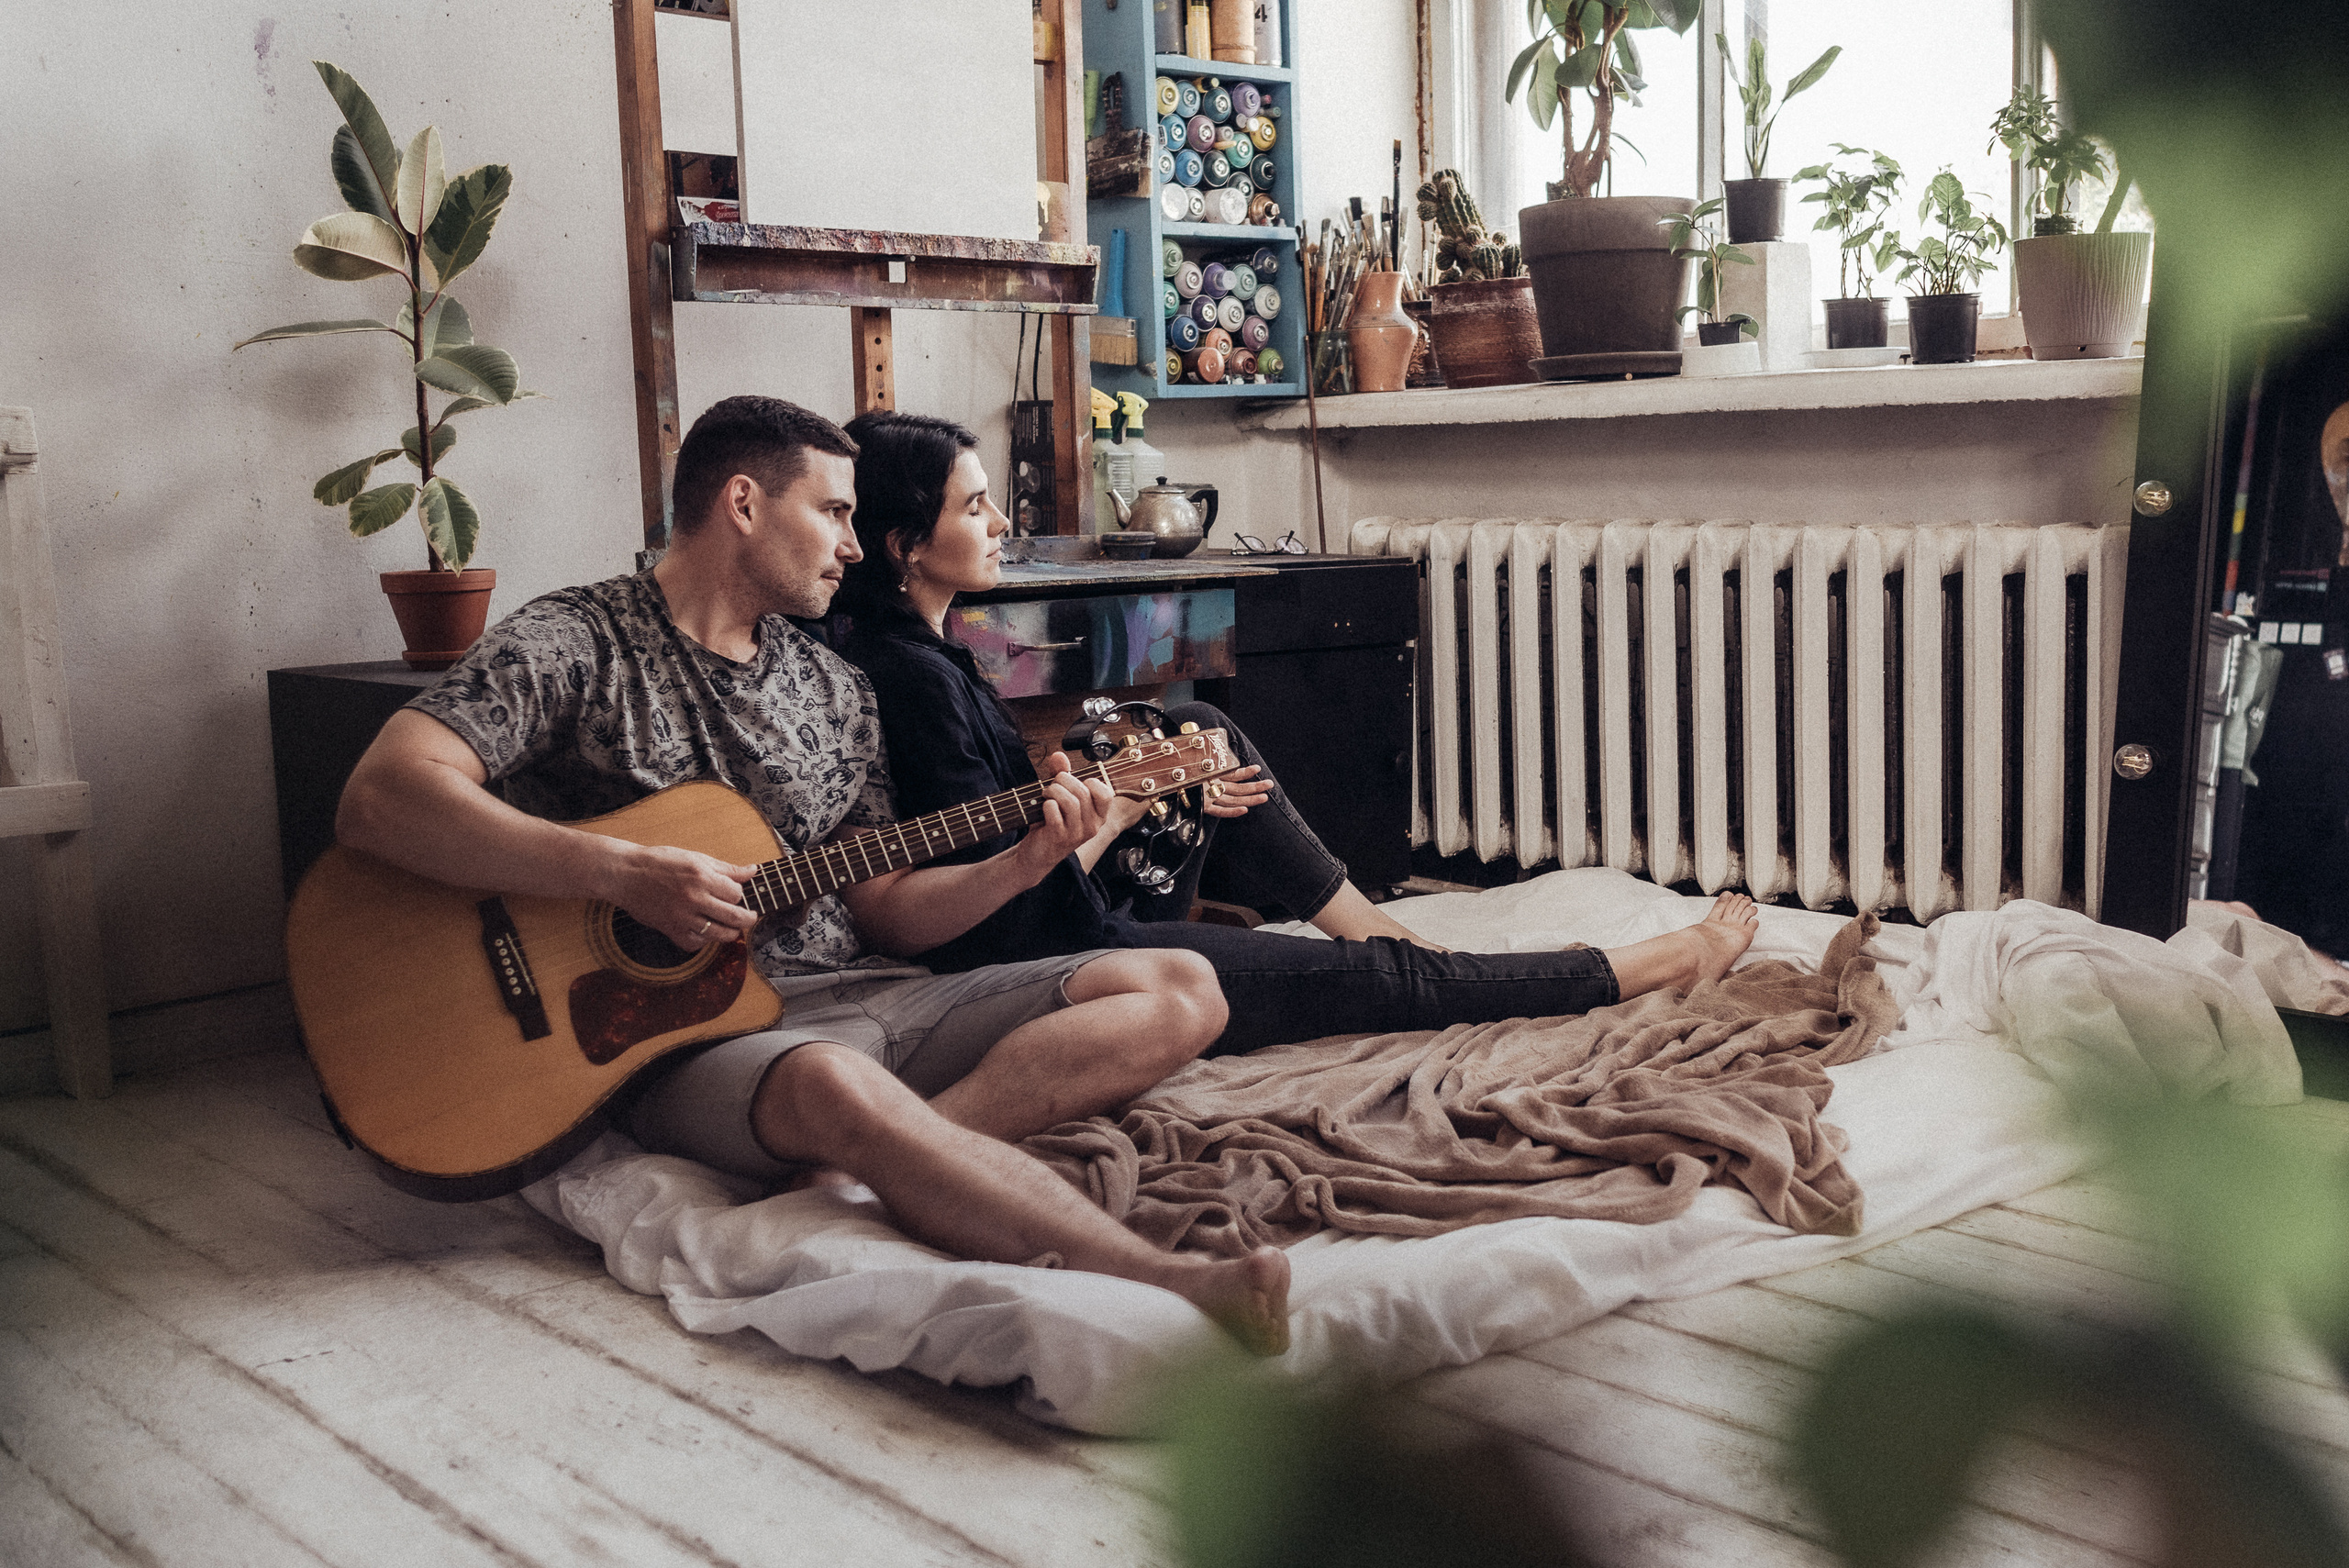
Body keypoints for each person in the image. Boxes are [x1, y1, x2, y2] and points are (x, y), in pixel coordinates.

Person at [333, 395, 1289, 1354]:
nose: (857, 545)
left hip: (866, 994)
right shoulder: (576, 641)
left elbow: (886, 915)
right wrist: (620, 871)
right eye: (833, 512)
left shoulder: (834, 687)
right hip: (677, 1033)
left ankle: (881, 1160)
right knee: (832, 1081)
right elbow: (381, 795)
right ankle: (1164, 1280)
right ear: (743, 503)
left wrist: (1026, 859)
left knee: (1180, 988)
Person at [830, 409, 1761, 1055]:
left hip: (1054, 900)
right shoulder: (910, 675)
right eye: (974, 506)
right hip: (1043, 946)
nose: (1001, 522)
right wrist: (1119, 805)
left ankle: (1392, 933)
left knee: (1192, 724)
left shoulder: (925, 644)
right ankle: (1625, 963)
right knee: (1372, 985)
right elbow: (1002, 886)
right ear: (906, 543)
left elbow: (1005, 811)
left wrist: (1119, 769)